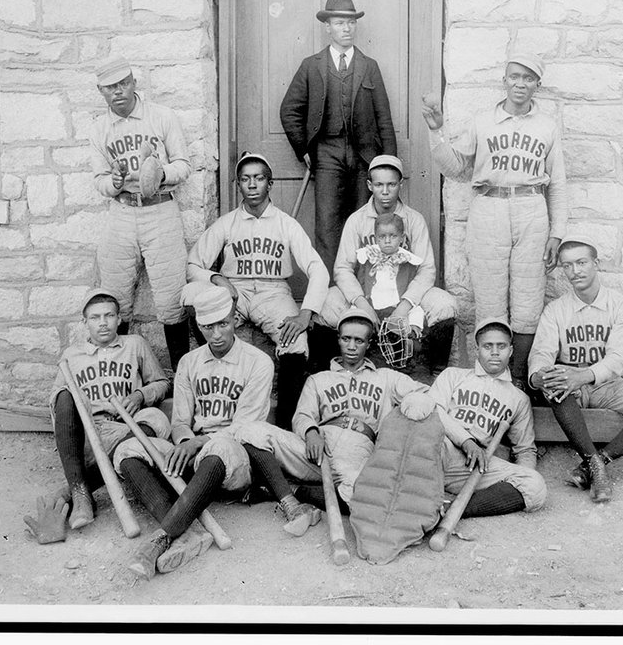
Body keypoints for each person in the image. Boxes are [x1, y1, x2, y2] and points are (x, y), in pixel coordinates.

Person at [421, 52, 566, 388]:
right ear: (504, 80)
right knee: (489, 300)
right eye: (515, 76)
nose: (520, 84)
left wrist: (557, 233)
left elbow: (557, 185)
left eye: (528, 78)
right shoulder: (483, 121)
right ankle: (487, 381)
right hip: (489, 207)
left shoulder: (547, 127)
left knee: (529, 303)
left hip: (531, 208)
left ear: (537, 85)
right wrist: (436, 132)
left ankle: (518, 382)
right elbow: (456, 168)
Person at [113, 285, 273, 579]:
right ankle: (189, 532)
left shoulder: (259, 362)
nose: (216, 334)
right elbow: (180, 421)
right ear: (199, 325)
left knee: (219, 448)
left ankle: (160, 539)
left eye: (223, 324)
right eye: (208, 327)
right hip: (195, 455)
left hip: (234, 458)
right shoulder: (189, 362)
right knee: (129, 449)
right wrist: (185, 442)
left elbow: (244, 428)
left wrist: (200, 442)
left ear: (235, 318)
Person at [234, 306, 427, 527]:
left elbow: (423, 395)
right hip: (315, 450)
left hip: (357, 450)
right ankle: (289, 499)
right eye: (346, 339)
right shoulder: (319, 379)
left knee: (366, 497)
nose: (352, 346)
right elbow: (303, 415)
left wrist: (399, 424)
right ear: (338, 339)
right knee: (251, 431)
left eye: (359, 340)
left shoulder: (386, 378)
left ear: (369, 344)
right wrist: (311, 431)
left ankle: (294, 490)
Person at [528, 236, 623, 503]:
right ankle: (595, 465)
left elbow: (618, 360)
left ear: (595, 263)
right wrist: (540, 376)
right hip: (569, 389)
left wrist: (583, 376)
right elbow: (541, 355)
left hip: (606, 385)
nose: (575, 271)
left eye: (581, 262)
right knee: (554, 381)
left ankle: (599, 461)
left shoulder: (620, 306)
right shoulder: (556, 310)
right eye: (567, 266)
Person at [183, 153, 328, 432]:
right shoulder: (227, 223)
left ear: (269, 184)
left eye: (259, 178)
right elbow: (193, 265)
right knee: (191, 295)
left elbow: (318, 269)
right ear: (238, 184)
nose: (252, 185)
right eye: (246, 179)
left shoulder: (286, 223)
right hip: (233, 289)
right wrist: (217, 278)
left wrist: (305, 314)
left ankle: (285, 428)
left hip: (273, 292)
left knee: (295, 342)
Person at [279, 0, 397, 275]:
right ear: (328, 27)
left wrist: (390, 165)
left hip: (363, 155)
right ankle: (330, 296)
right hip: (327, 154)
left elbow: (384, 118)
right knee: (328, 225)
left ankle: (361, 293)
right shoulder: (312, 65)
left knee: (363, 224)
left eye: (351, 23)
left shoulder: (369, 66)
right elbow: (289, 110)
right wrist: (304, 149)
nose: (346, 28)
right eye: (340, 22)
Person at [89, 54, 192, 370]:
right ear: (101, 91)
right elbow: (99, 180)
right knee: (115, 299)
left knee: (172, 299)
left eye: (123, 83)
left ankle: (183, 380)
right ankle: (116, 375)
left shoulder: (161, 117)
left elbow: (184, 165)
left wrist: (161, 174)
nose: (118, 91)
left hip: (160, 210)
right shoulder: (100, 128)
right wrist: (114, 182)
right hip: (122, 213)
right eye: (110, 87)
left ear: (134, 82)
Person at [319, 154, 456, 379]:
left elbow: (427, 269)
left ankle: (435, 370)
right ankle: (324, 372)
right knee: (325, 303)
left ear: (400, 185)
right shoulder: (357, 220)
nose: (385, 191)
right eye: (379, 184)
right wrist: (361, 303)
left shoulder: (414, 219)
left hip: (406, 294)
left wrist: (404, 306)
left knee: (445, 304)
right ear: (369, 185)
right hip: (366, 294)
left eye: (391, 184)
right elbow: (342, 269)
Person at [47, 288, 171, 533]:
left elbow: (162, 382)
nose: (103, 323)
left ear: (119, 319)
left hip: (128, 428)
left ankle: (78, 487)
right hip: (89, 433)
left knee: (157, 418)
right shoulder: (72, 355)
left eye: (109, 316)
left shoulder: (134, 345)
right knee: (63, 394)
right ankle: (81, 494)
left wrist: (140, 394)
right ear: (85, 322)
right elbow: (57, 404)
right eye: (95, 318)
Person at [410, 318, 547, 519]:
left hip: (474, 465)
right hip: (440, 448)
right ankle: (425, 502)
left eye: (501, 346)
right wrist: (466, 441)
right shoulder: (453, 375)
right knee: (426, 433)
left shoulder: (518, 398)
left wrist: (514, 480)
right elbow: (433, 410)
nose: (494, 352)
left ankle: (453, 511)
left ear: (510, 350)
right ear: (477, 349)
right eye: (487, 346)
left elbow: (525, 450)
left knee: (535, 485)